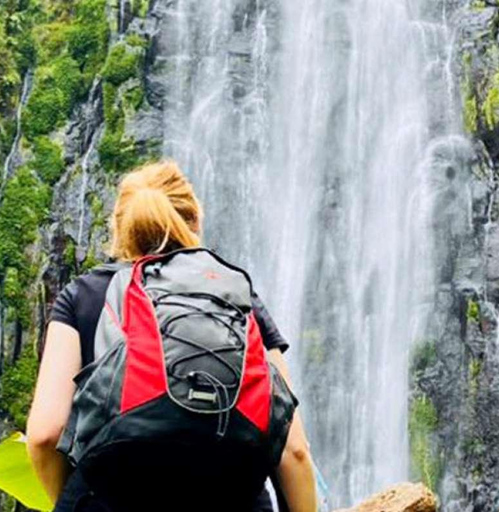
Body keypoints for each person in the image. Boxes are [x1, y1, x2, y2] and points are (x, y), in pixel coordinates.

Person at [25, 161, 318, 512]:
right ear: (194, 221)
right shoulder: (236, 298)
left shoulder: (83, 295)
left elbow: (45, 434)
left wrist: (71, 503)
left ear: (120, 229)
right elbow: (294, 449)